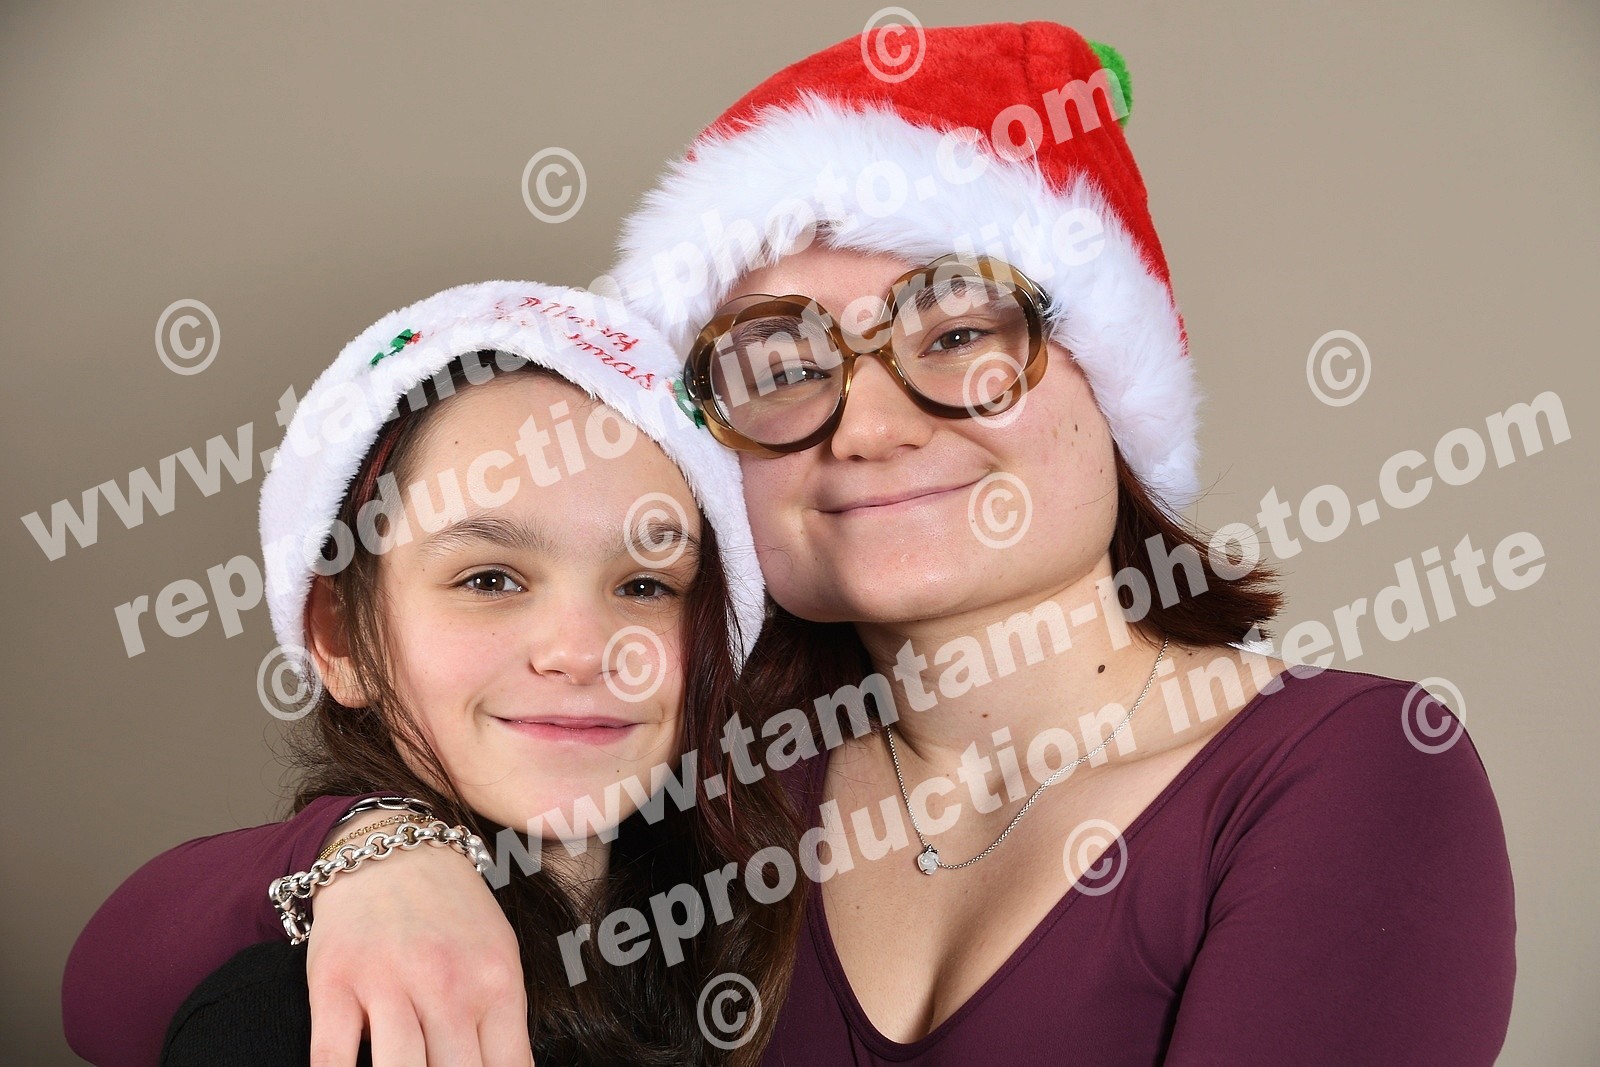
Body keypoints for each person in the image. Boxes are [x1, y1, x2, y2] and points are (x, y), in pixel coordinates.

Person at [65, 22, 1517, 1066]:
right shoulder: (715, 780)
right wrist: (377, 853)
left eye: (958, 332)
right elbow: (111, 979)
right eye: (781, 364)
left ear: (1112, 386)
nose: (870, 425)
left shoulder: (1347, 771)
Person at [64, 280, 802, 1066]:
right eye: (490, 579)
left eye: (646, 585)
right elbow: (99, 993)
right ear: (341, 638)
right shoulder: (313, 1019)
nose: (584, 650)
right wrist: (372, 841)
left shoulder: (752, 927)